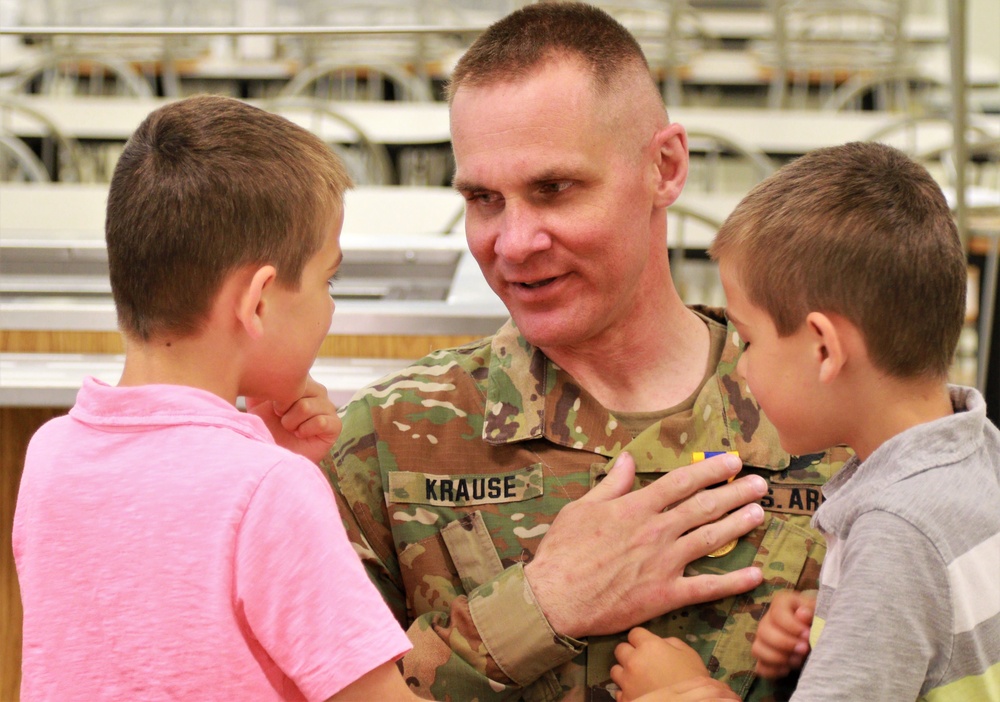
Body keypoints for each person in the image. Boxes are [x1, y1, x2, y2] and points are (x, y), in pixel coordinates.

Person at [324, 4, 849, 700]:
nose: (513, 243)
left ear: (664, 167)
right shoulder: (388, 441)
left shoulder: (838, 417)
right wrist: (538, 606)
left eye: (554, 189)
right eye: (484, 198)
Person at [13, 95, 419, 701]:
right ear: (257, 302)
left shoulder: (50, 455)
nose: (331, 305)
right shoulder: (269, 491)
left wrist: (266, 458)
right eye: (328, 280)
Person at [609, 142, 1000, 702]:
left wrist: (688, 692)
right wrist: (839, 621)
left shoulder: (897, 534)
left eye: (749, 339)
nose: (739, 366)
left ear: (823, 350)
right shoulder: (979, 449)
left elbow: (907, 569)